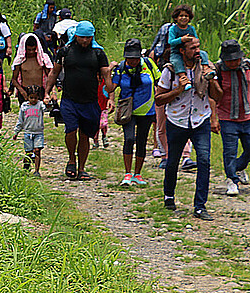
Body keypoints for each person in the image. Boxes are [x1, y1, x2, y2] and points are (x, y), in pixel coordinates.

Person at [156, 36, 218, 219]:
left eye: (198, 47)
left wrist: (212, 81)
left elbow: (217, 95)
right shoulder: (171, 70)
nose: (197, 51)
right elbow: (158, 99)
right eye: (192, 48)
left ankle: (200, 206)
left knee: (204, 161)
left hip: (201, 120)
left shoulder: (207, 67)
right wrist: (178, 90)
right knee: (173, 161)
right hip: (177, 121)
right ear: (182, 51)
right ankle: (168, 196)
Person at [44, 20, 110, 181]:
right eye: (82, 37)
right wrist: (47, 92)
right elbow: (54, 72)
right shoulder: (65, 52)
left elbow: (106, 76)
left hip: (90, 100)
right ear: (76, 36)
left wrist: (111, 95)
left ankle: (82, 168)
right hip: (69, 99)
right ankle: (71, 159)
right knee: (70, 129)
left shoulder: (98, 53)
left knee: (85, 134)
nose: (85, 41)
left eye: (88, 38)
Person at [106, 38, 160, 186]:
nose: (133, 61)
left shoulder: (149, 64)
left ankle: (138, 174)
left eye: (135, 58)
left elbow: (159, 81)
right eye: (130, 58)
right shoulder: (121, 68)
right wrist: (109, 71)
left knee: (142, 141)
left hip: (147, 111)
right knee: (129, 139)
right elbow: (111, 88)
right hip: (128, 111)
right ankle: (127, 173)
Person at [208, 39, 250, 196]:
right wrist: (214, 118)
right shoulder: (217, 70)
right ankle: (232, 180)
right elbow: (212, 96)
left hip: (247, 115)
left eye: (235, 59)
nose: (233, 63)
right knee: (229, 151)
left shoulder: (247, 67)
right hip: (227, 117)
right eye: (229, 60)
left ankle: (238, 168)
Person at [168, 5, 209, 88]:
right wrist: (182, 39)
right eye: (181, 16)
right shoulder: (173, 29)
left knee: (203, 53)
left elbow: (196, 39)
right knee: (176, 62)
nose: (184, 18)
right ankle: (184, 78)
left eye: (186, 16)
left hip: (191, 50)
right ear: (176, 18)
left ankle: (206, 68)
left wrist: (192, 41)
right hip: (176, 52)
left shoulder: (191, 28)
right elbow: (170, 42)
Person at [11, 33, 53, 110]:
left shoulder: (42, 59)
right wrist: (22, 92)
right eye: (29, 50)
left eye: (33, 49)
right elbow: (14, 80)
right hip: (25, 91)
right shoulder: (20, 61)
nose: (31, 52)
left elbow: (50, 76)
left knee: (38, 116)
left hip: (39, 91)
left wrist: (51, 92)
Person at [13, 93, 45, 176]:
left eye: (35, 98)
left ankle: (37, 170)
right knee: (28, 152)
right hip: (28, 132)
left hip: (38, 132)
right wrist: (16, 132)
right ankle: (26, 167)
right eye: (31, 98)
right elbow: (21, 120)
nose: (33, 100)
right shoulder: (24, 106)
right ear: (28, 97)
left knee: (37, 151)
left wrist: (48, 103)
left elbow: (46, 108)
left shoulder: (40, 105)